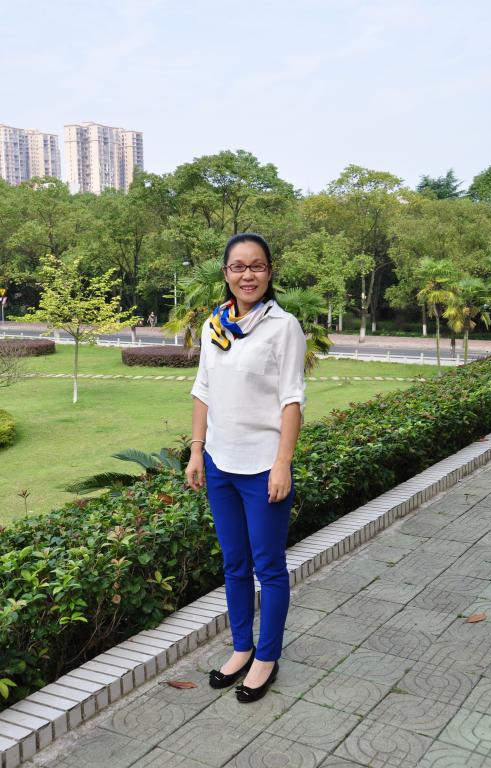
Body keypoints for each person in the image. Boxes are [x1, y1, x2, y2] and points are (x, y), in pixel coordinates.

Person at [186, 232, 306, 703]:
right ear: (226, 273)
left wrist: (282, 464)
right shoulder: (214, 325)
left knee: (268, 567)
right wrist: (197, 451)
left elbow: (292, 399)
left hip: (262, 467)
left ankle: (266, 658)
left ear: (270, 272)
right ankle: (241, 648)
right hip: (220, 463)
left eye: (256, 266)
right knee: (234, 563)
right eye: (238, 267)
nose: (247, 275)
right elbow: (203, 390)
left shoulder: (283, 327)